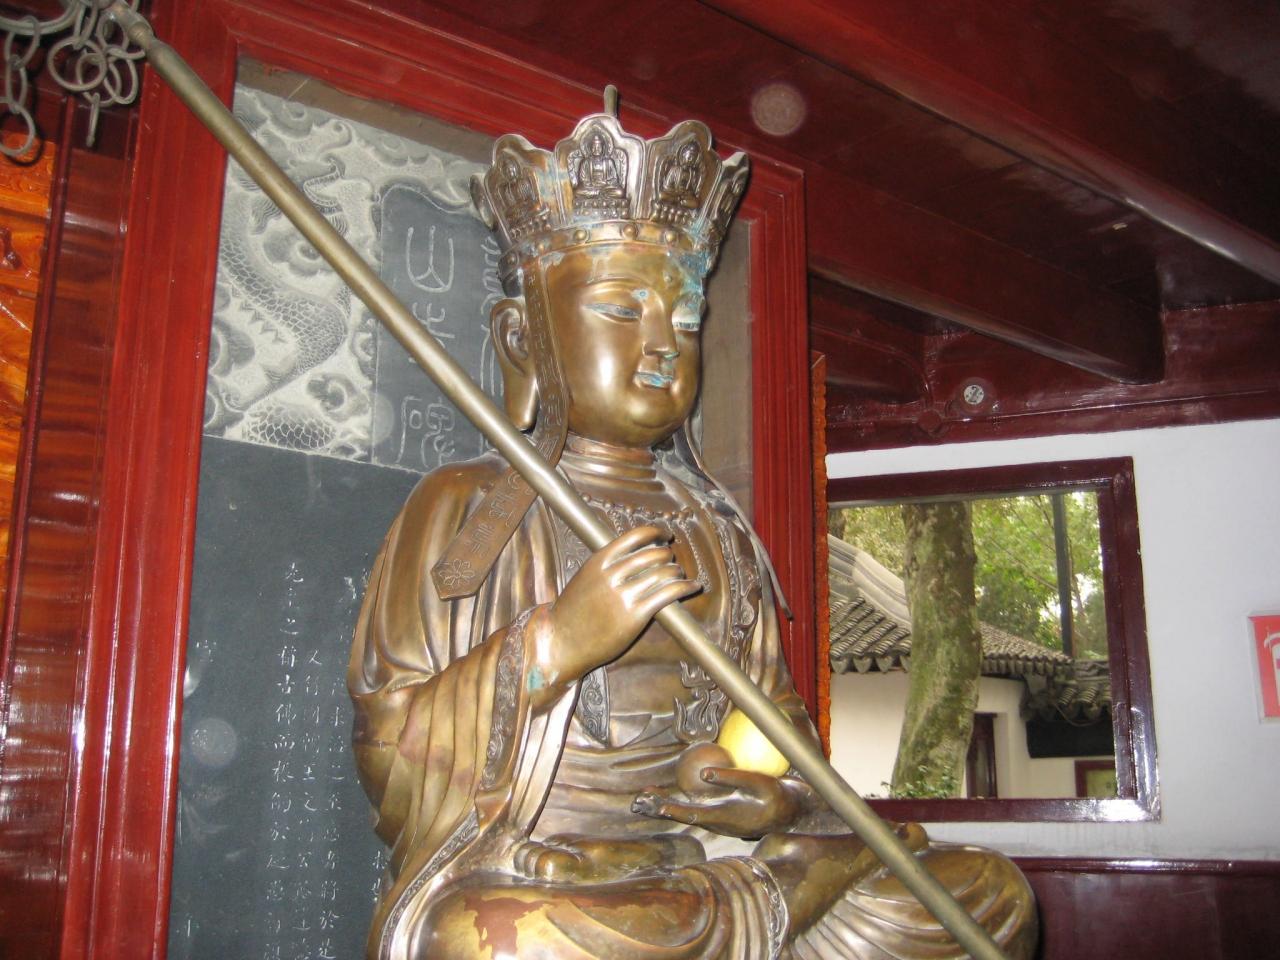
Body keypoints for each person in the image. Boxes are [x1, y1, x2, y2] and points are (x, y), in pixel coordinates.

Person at [348, 100, 1036, 960]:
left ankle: (780, 890)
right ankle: (785, 896)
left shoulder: (716, 531)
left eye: (683, 321)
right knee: (491, 944)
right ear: (522, 340)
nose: (664, 346)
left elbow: (776, 724)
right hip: (548, 881)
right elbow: (389, 746)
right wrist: (556, 645)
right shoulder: (464, 508)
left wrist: (774, 796)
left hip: (696, 865)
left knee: (988, 895)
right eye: (619, 309)